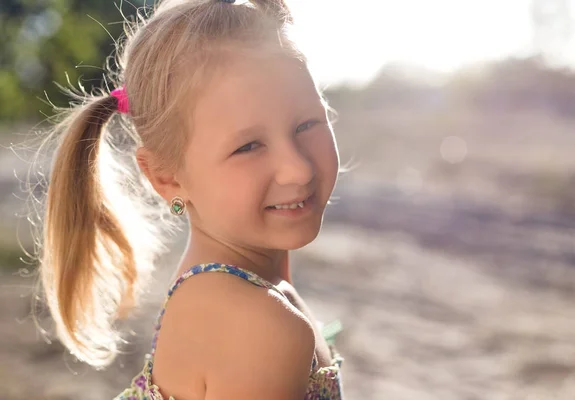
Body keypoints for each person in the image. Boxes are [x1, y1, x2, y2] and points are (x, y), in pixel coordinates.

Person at [35, 0, 344, 398]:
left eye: (306, 123)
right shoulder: (254, 325)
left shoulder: (230, 287)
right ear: (166, 177)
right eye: (249, 146)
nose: (298, 169)